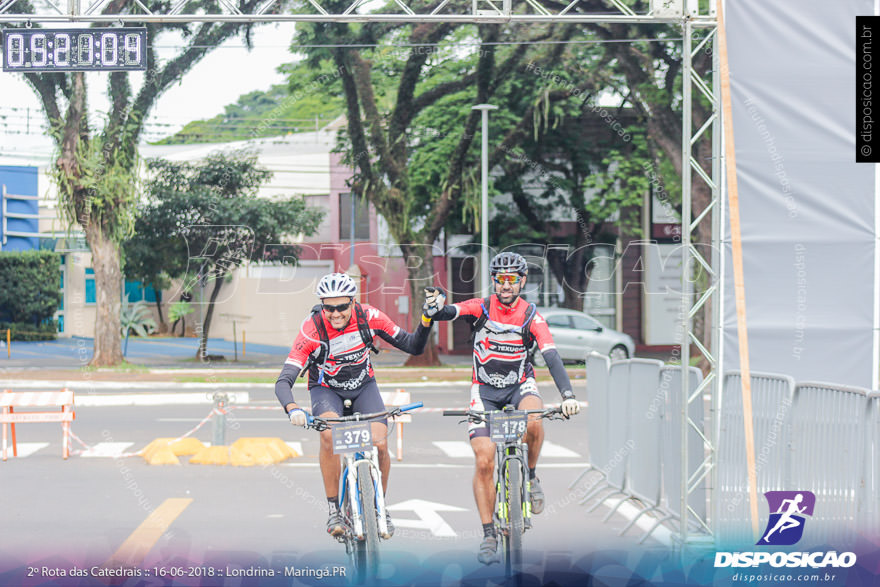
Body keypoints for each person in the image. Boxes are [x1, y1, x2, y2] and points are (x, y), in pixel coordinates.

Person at [422, 252, 580, 564]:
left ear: (522, 281)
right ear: (494, 281)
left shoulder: (532, 316)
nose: (505, 285)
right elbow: (451, 311)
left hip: (520, 386)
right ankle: (488, 533)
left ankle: (531, 476)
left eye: (511, 279)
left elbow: (551, 356)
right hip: (485, 392)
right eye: (500, 279)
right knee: (484, 461)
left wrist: (568, 395)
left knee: (535, 420)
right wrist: (435, 308)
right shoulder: (481, 307)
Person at [275, 272, 432, 539]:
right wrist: (293, 409)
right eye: (329, 307)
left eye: (342, 307)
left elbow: (414, 346)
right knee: (328, 436)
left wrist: (427, 319)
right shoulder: (311, 329)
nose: (335, 313)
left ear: (353, 302)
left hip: (363, 386)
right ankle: (334, 508)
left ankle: (379, 506)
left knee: (380, 444)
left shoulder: (370, 317)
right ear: (322, 305)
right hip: (326, 390)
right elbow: (284, 380)